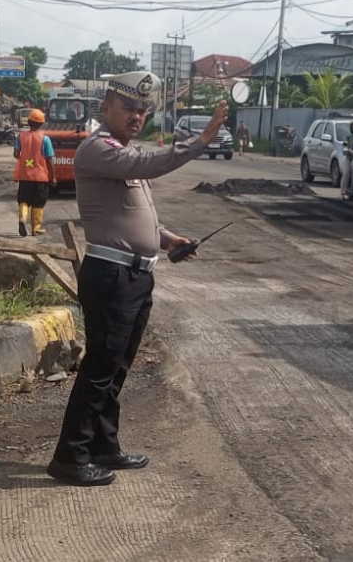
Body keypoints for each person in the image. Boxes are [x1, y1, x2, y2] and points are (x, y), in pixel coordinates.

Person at [47, 71, 229, 487]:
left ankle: (103, 445)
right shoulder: (97, 149)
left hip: (135, 275)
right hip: (111, 275)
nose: (136, 116)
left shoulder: (124, 152)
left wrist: (167, 239)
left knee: (117, 367)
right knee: (100, 367)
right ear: (106, 106)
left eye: (143, 110)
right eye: (129, 107)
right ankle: (70, 455)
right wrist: (201, 140)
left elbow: (136, 213)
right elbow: (152, 164)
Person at [13, 108, 56, 236]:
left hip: (25, 176)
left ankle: (22, 219)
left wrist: (26, 158)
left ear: (29, 122)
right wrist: (53, 177)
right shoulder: (45, 139)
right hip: (40, 177)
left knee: (23, 200)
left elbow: (16, 154)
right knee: (38, 202)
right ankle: (36, 228)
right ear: (41, 124)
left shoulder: (21, 136)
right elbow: (50, 159)